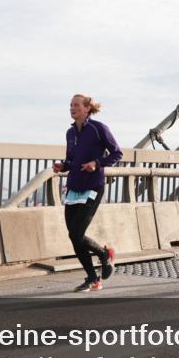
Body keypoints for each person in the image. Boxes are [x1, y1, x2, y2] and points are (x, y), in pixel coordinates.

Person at [52, 94, 122, 292]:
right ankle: (93, 278)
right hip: (73, 187)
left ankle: (104, 254)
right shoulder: (70, 133)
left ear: (86, 108)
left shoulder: (98, 128)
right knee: (74, 236)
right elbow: (71, 159)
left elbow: (117, 153)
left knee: (76, 232)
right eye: (70, 105)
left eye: (76, 105)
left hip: (93, 187)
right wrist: (63, 165)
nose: (72, 108)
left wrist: (97, 163)